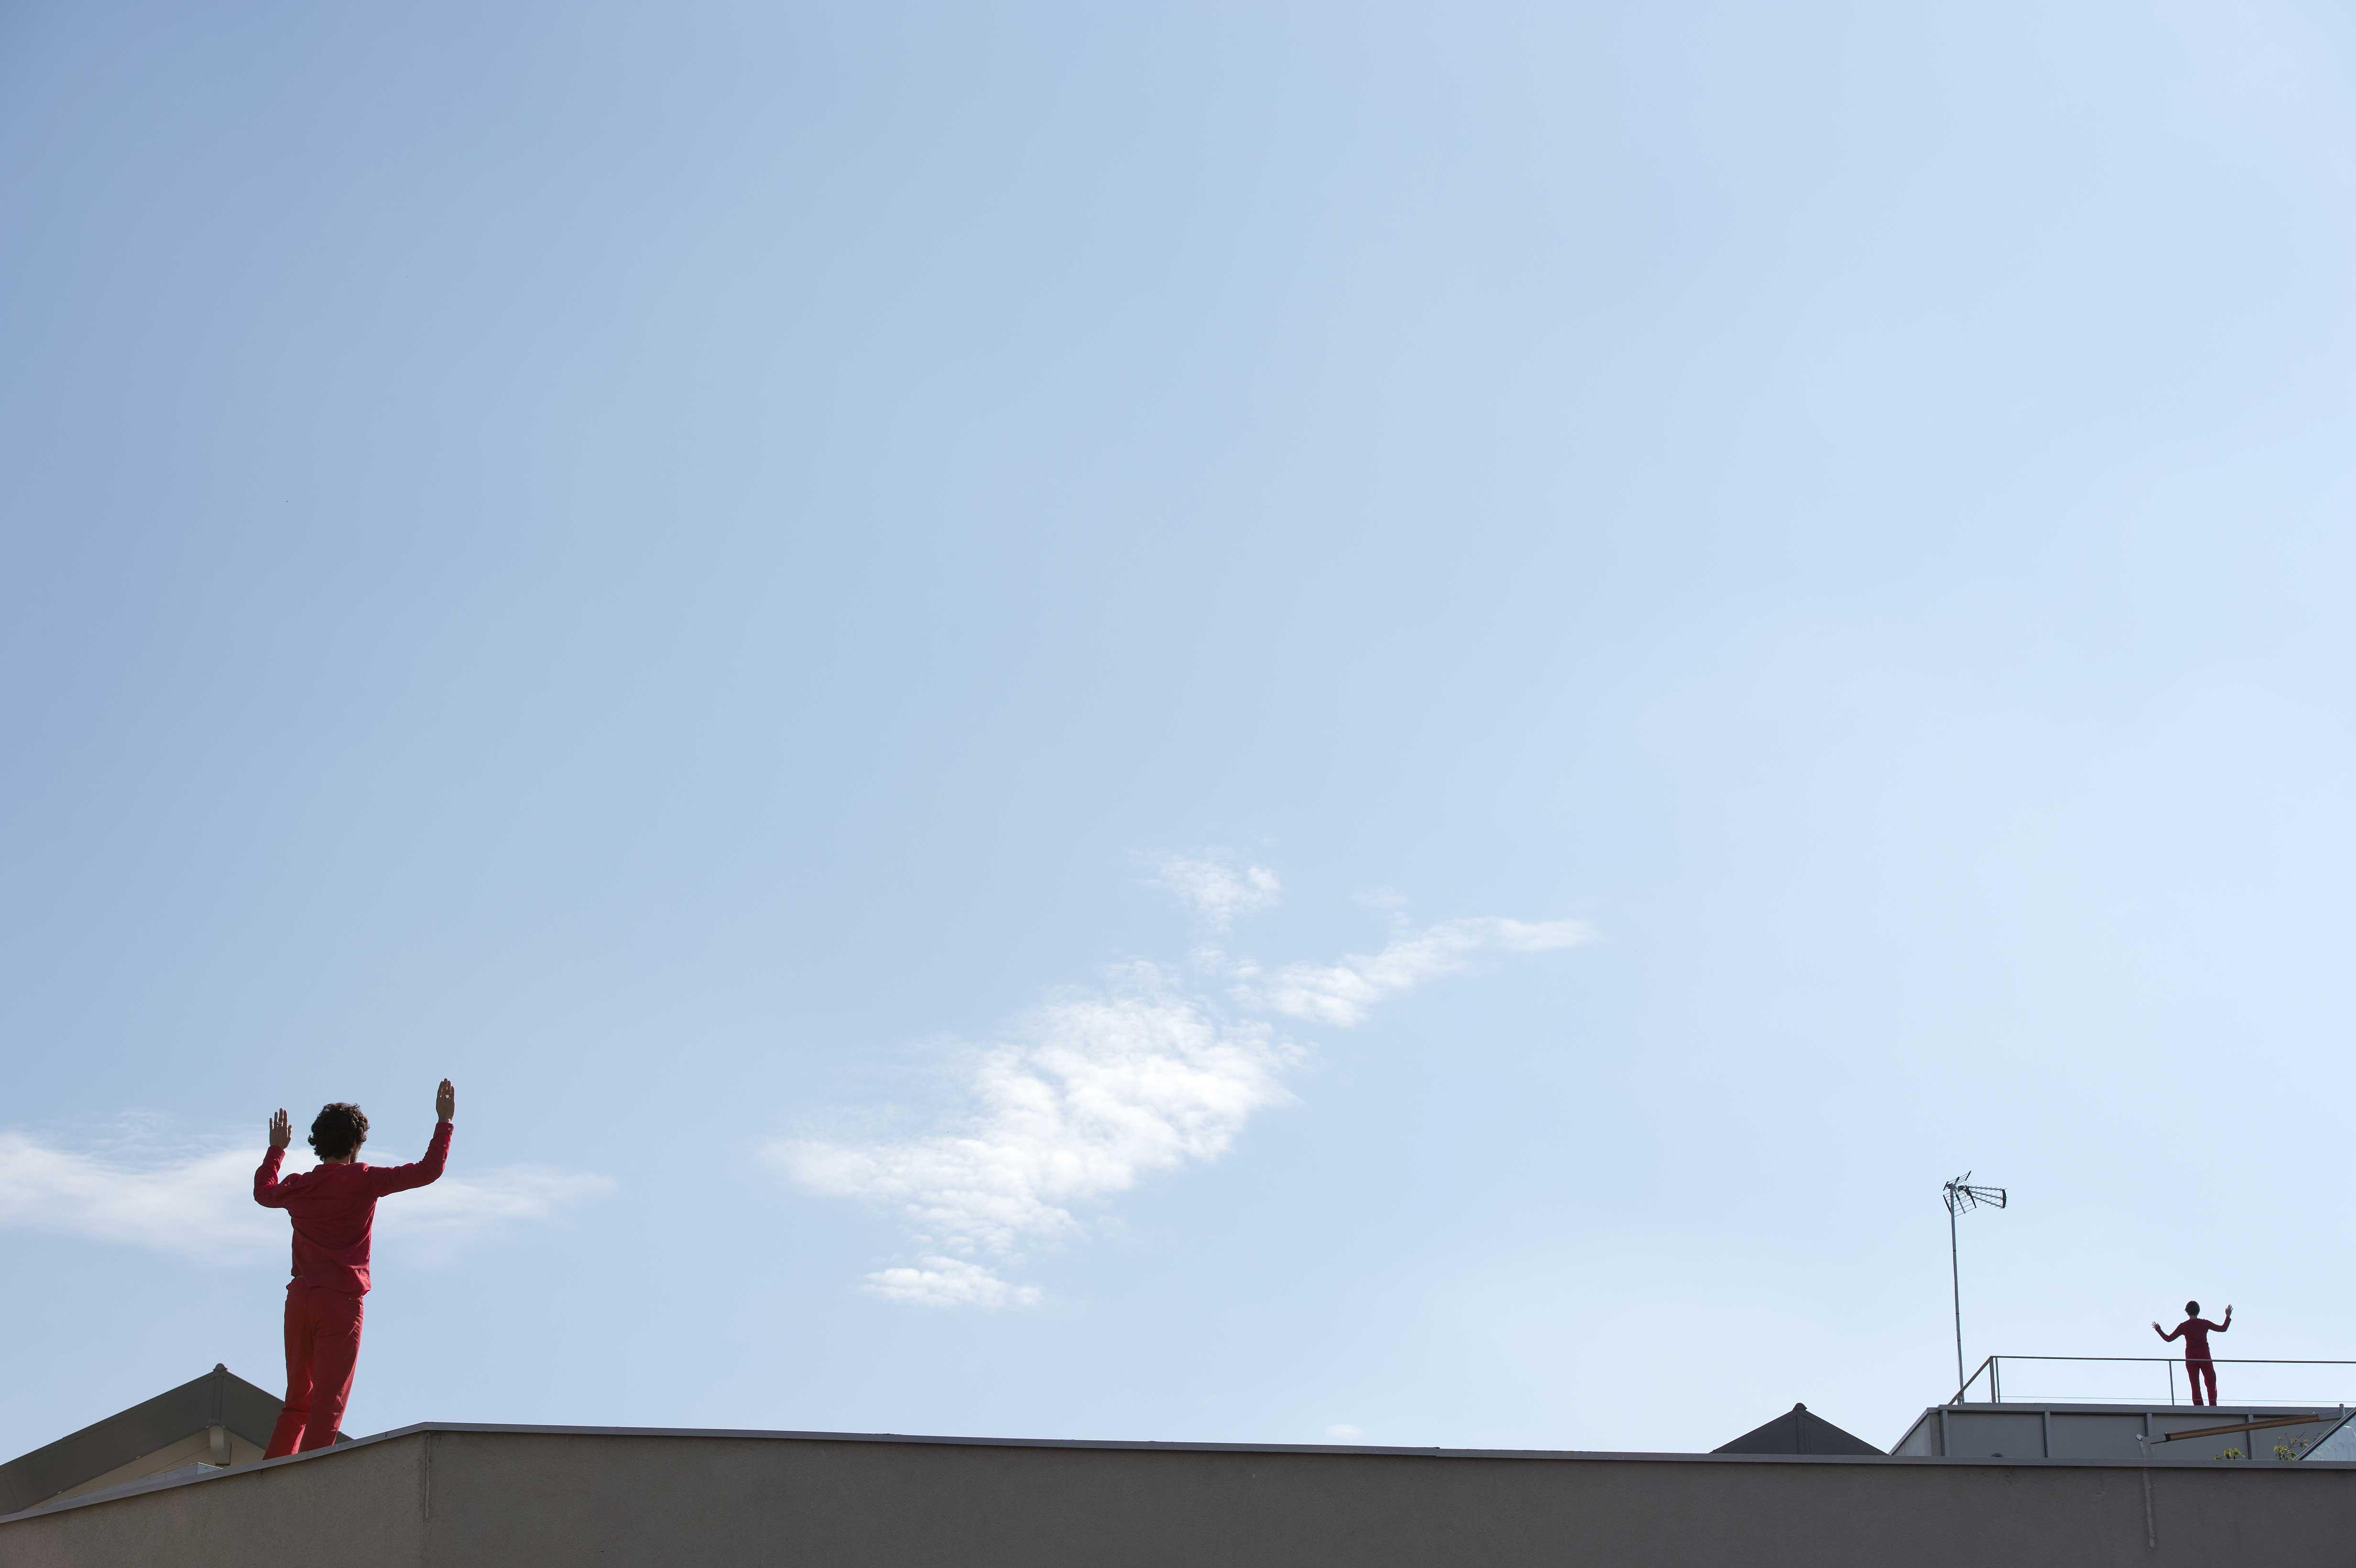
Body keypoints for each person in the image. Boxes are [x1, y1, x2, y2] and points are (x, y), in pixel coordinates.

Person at [253, 1079, 454, 1457]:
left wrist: (276, 1150)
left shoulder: (301, 1186)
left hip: (299, 1300)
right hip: (340, 1302)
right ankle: (310, 1484)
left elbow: (264, 1192)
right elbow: (429, 1170)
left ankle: (269, 1479)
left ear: (318, 1143)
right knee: (327, 1403)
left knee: (297, 1400)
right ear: (357, 1144)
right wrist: (444, 1123)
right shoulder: (365, 1180)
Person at [2153, 1299, 2232, 1406]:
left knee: (2195, 1384)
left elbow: (2168, 1339)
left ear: (2187, 1312)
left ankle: (2199, 1407)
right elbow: (2223, 1329)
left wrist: (2159, 1329)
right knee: (2211, 1380)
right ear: (2198, 1311)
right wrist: (2227, 1317)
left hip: (2191, 1357)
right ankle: (2213, 1406)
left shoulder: (2184, 1326)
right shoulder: (2204, 1323)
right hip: (2204, 1355)